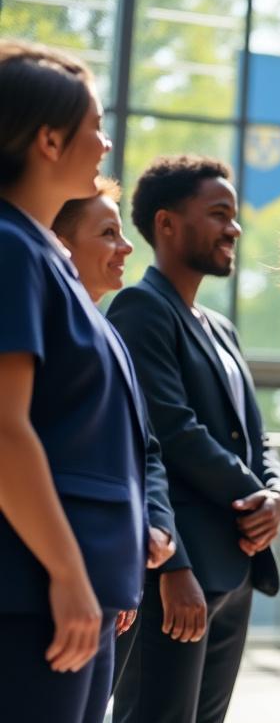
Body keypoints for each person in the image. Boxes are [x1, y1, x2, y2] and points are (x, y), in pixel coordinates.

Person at [107, 156, 280, 723]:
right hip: (177, 576)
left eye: (234, 217)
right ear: (166, 224)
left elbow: (259, 438)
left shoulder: (221, 327)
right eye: (218, 214)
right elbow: (168, 436)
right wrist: (175, 565)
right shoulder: (140, 311)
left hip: (236, 570)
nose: (233, 228)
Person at [0, 39, 142, 723]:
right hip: (34, 594)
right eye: (94, 124)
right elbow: (5, 430)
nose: (106, 139)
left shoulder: (42, 255)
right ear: (49, 139)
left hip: (72, 590)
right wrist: (67, 574)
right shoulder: (9, 248)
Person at [49, 179, 182, 661]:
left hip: (112, 582)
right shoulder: (54, 332)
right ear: (61, 245)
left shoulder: (111, 335)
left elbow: (144, 449)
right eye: (108, 233)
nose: (127, 245)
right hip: (62, 583)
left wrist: (154, 531)